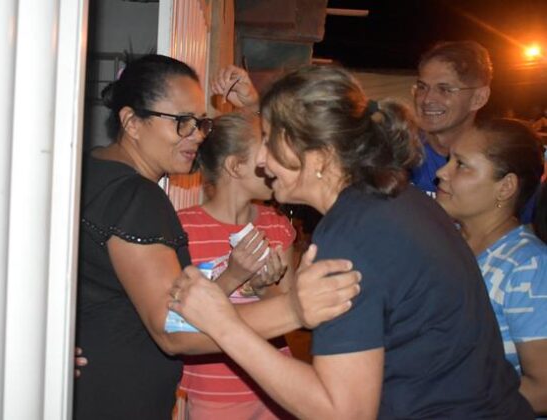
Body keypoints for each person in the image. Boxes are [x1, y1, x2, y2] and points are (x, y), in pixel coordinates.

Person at [170, 64, 534, 419]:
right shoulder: (392, 199)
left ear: (320, 155)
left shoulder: (352, 233)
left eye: (270, 141)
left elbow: (343, 410)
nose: (262, 161)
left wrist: (224, 326)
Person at [73, 55, 361, 419]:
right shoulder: (136, 197)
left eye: (200, 123)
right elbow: (171, 329)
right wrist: (293, 309)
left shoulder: (88, 170)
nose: (196, 135)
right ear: (132, 122)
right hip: (119, 400)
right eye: (182, 122)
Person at [178, 111, 296, 419]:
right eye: (266, 149)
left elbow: (292, 312)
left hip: (277, 381)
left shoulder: (277, 225)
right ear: (235, 166)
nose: (275, 162)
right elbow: (181, 323)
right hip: (214, 392)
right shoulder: (184, 229)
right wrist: (233, 276)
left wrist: (261, 287)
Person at [435, 118, 547, 416]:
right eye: (448, 160)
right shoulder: (442, 243)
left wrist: (442, 392)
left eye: (461, 165)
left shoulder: (528, 267)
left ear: (505, 187)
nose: (441, 173)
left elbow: (543, 390)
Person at [410, 40, 492, 197]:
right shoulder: (394, 154)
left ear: (479, 98)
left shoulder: (496, 167)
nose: (427, 99)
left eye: (445, 89)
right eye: (422, 87)